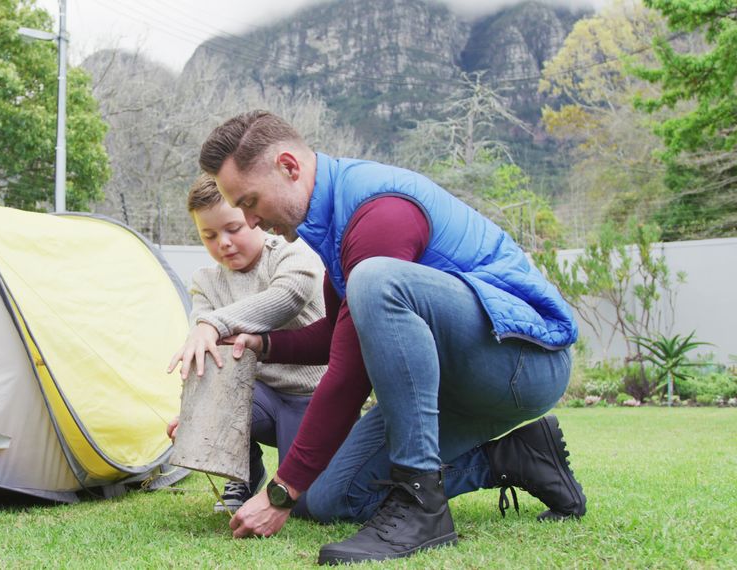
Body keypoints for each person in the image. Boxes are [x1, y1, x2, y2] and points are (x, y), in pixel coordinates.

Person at [197, 110, 586, 565]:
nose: (250, 220)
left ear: (288, 166)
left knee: (375, 281)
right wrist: (264, 343)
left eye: (249, 201)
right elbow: (337, 335)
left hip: (524, 361)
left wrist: (279, 492)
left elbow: (350, 371)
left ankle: (422, 508)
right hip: (458, 380)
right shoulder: (336, 223)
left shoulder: (377, 213)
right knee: (324, 497)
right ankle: (515, 457)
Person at [167, 173, 327, 513]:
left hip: (313, 398)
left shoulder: (291, 253)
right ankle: (242, 473)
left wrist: (213, 323)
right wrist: (196, 415)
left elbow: (288, 296)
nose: (222, 242)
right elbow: (202, 338)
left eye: (232, 228)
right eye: (208, 235)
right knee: (207, 355)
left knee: (310, 504)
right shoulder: (205, 281)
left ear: (255, 219)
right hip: (258, 398)